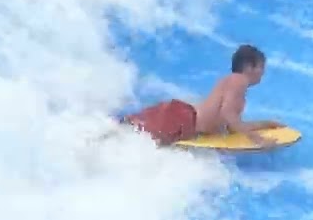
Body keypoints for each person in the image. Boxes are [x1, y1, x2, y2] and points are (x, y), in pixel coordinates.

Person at [116, 44, 283, 148]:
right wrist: (257, 140)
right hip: (181, 120)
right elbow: (228, 114)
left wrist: (265, 124)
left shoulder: (232, 83)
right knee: (126, 136)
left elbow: (232, 125)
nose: (263, 72)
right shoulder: (239, 80)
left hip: (180, 117)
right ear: (248, 67)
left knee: (125, 132)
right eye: (261, 67)